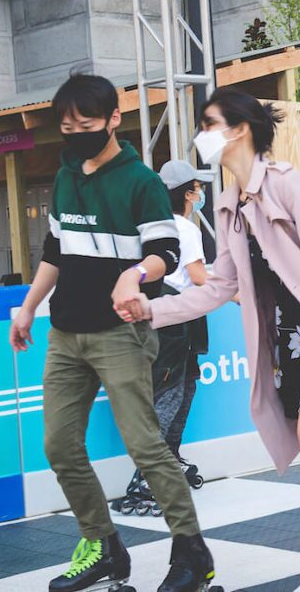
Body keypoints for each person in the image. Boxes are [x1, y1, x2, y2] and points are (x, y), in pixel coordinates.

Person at [115, 88, 300, 592]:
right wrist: (152, 310)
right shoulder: (227, 205)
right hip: (286, 338)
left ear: (239, 129)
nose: (201, 134)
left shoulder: (286, 183)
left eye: (209, 122)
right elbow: (219, 286)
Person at [8, 75, 217, 592]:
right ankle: (102, 545)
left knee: (146, 445)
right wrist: (29, 307)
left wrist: (134, 274)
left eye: (86, 123)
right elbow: (55, 253)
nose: (75, 132)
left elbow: (165, 253)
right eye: (66, 125)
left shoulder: (140, 181)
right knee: (59, 445)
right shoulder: (64, 177)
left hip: (119, 334)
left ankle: (192, 552)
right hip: (64, 335)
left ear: (113, 121)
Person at [111, 160, 213, 517]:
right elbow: (199, 277)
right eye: (198, 188)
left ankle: (167, 461)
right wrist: (235, 290)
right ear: (187, 194)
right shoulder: (186, 228)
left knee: (183, 390)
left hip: (171, 319)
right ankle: (148, 476)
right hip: (174, 322)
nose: (201, 194)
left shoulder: (154, 228)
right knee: (170, 397)